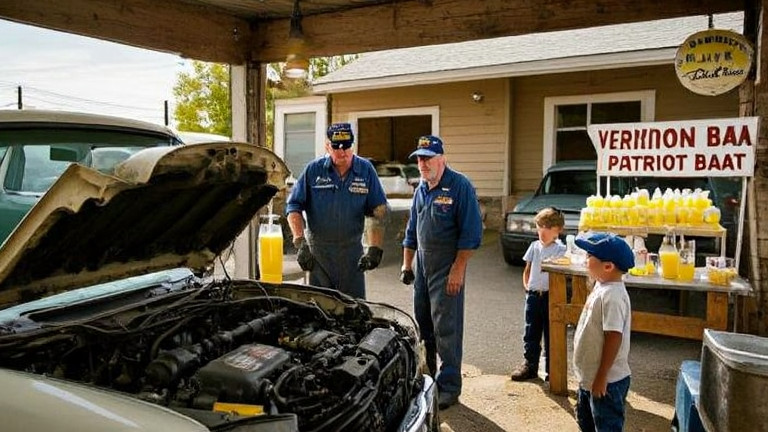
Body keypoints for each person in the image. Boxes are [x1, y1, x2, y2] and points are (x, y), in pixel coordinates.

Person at [399, 135, 483, 410]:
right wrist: (406, 264)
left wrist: (458, 270)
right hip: (422, 266)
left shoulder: (460, 186)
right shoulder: (421, 189)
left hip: (448, 265)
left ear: (441, 158)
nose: (422, 163)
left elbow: (471, 234)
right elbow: (412, 230)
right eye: (419, 159)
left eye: (428, 158)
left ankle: (449, 387)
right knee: (424, 324)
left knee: (447, 327)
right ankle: (429, 378)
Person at [286, 122, 388, 299]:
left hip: (352, 254)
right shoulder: (313, 170)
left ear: (353, 144)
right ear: (327, 146)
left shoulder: (366, 170)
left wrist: (375, 248)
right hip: (318, 256)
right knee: (318, 309)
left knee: (354, 310)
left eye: (346, 146)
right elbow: (293, 206)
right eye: (336, 147)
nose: (342, 152)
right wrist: (300, 242)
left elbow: (378, 209)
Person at [573, 233, 633, 431]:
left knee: (606, 425)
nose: (585, 260)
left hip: (607, 381)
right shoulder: (602, 284)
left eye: (589, 256)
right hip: (590, 378)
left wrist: (601, 377)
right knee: (587, 422)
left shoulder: (613, 296)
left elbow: (614, 337)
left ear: (608, 266)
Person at [509, 207, 566, 382]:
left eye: (547, 229)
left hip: (551, 296)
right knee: (531, 331)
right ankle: (530, 365)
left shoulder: (560, 250)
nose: (542, 233)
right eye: (540, 228)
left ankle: (552, 369)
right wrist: (527, 287)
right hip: (534, 295)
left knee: (551, 333)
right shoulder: (534, 247)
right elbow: (527, 270)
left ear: (557, 231)